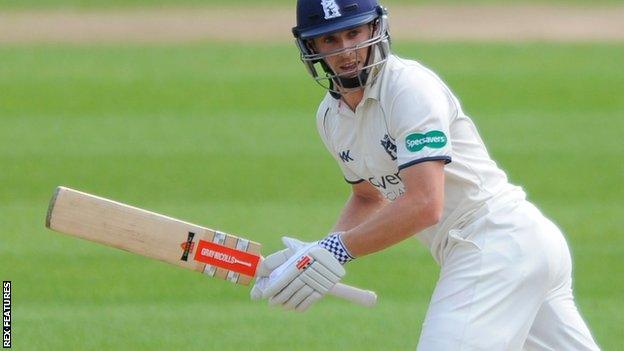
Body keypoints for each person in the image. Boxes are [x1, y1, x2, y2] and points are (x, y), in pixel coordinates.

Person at [251, 0, 601, 349]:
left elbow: (425, 204)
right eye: (330, 40)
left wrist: (337, 250)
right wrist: (314, 257)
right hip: (518, 248)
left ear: (374, 28)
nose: (347, 51)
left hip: (493, 242)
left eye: (353, 32)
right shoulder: (330, 117)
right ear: (311, 46)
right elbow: (368, 195)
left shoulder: (408, 88)